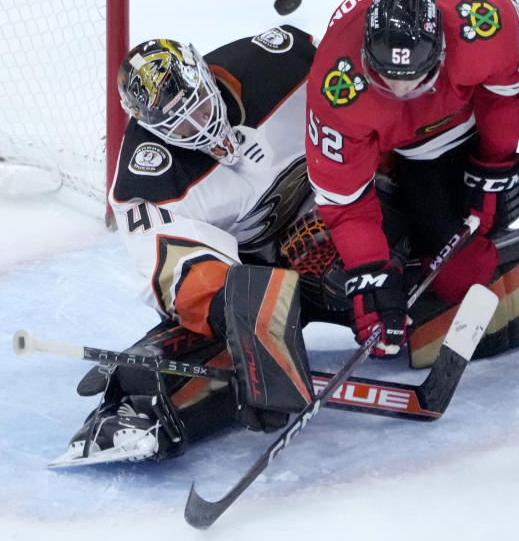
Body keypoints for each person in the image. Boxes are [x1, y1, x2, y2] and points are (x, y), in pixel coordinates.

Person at [52, 28, 322, 466]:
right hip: (251, 265)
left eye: (197, 104)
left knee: (361, 269)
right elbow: (178, 268)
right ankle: (138, 411)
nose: (198, 125)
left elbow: (363, 97)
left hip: (325, 218)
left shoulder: (282, 61)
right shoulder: (145, 180)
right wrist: (238, 316)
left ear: (204, 72)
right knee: (240, 317)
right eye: (175, 122)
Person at [305, 0, 519, 358]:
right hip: (418, 143)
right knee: (457, 276)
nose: (403, 91)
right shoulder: (336, 87)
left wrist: (496, 164)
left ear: (442, 48)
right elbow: (344, 201)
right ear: (363, 58)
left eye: (415, 77)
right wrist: (369, 274)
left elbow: (505, 94)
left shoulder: (484, 24)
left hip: (480, 83)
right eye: (386, 78)